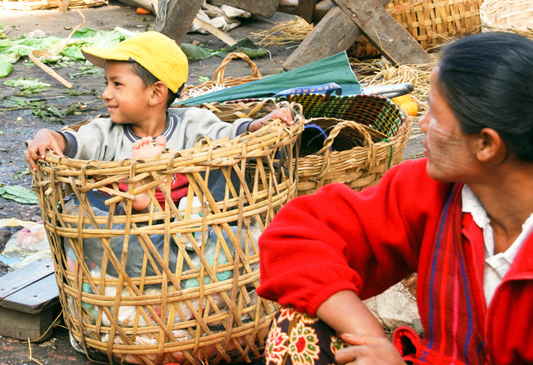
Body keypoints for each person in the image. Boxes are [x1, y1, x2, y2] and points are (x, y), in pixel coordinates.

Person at [256, 31, 533, 364]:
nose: (423, 124)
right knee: (298, 328)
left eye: (435, 114)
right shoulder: (433, 192)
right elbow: (296, 235)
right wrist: (369, 336)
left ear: (487, 144)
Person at [25, 31, 293, 211]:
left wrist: (261, 123)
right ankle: (139, 199)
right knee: (86, 201)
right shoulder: (105, 132)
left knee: (227, 172)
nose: (106, 94)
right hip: (129, 238)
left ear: (156, 93)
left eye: (117, 84)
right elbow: (73, 142)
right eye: (106, 83)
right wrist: (48, 136)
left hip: (190, 224)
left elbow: (234, 134)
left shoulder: (193, 123)